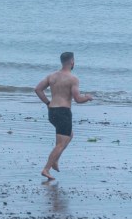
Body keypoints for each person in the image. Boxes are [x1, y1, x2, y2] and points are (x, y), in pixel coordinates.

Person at [34, 51, 94, 180]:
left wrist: (48, 103)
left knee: (68, 135)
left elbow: (38, 89)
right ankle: (46, 168)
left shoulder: (52, 76)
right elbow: (78, 99)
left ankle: (55, 160)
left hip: (52, 111)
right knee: (61, 143)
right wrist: (87, 97)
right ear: (72, 61)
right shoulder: (73, 79)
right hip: (63, 112)